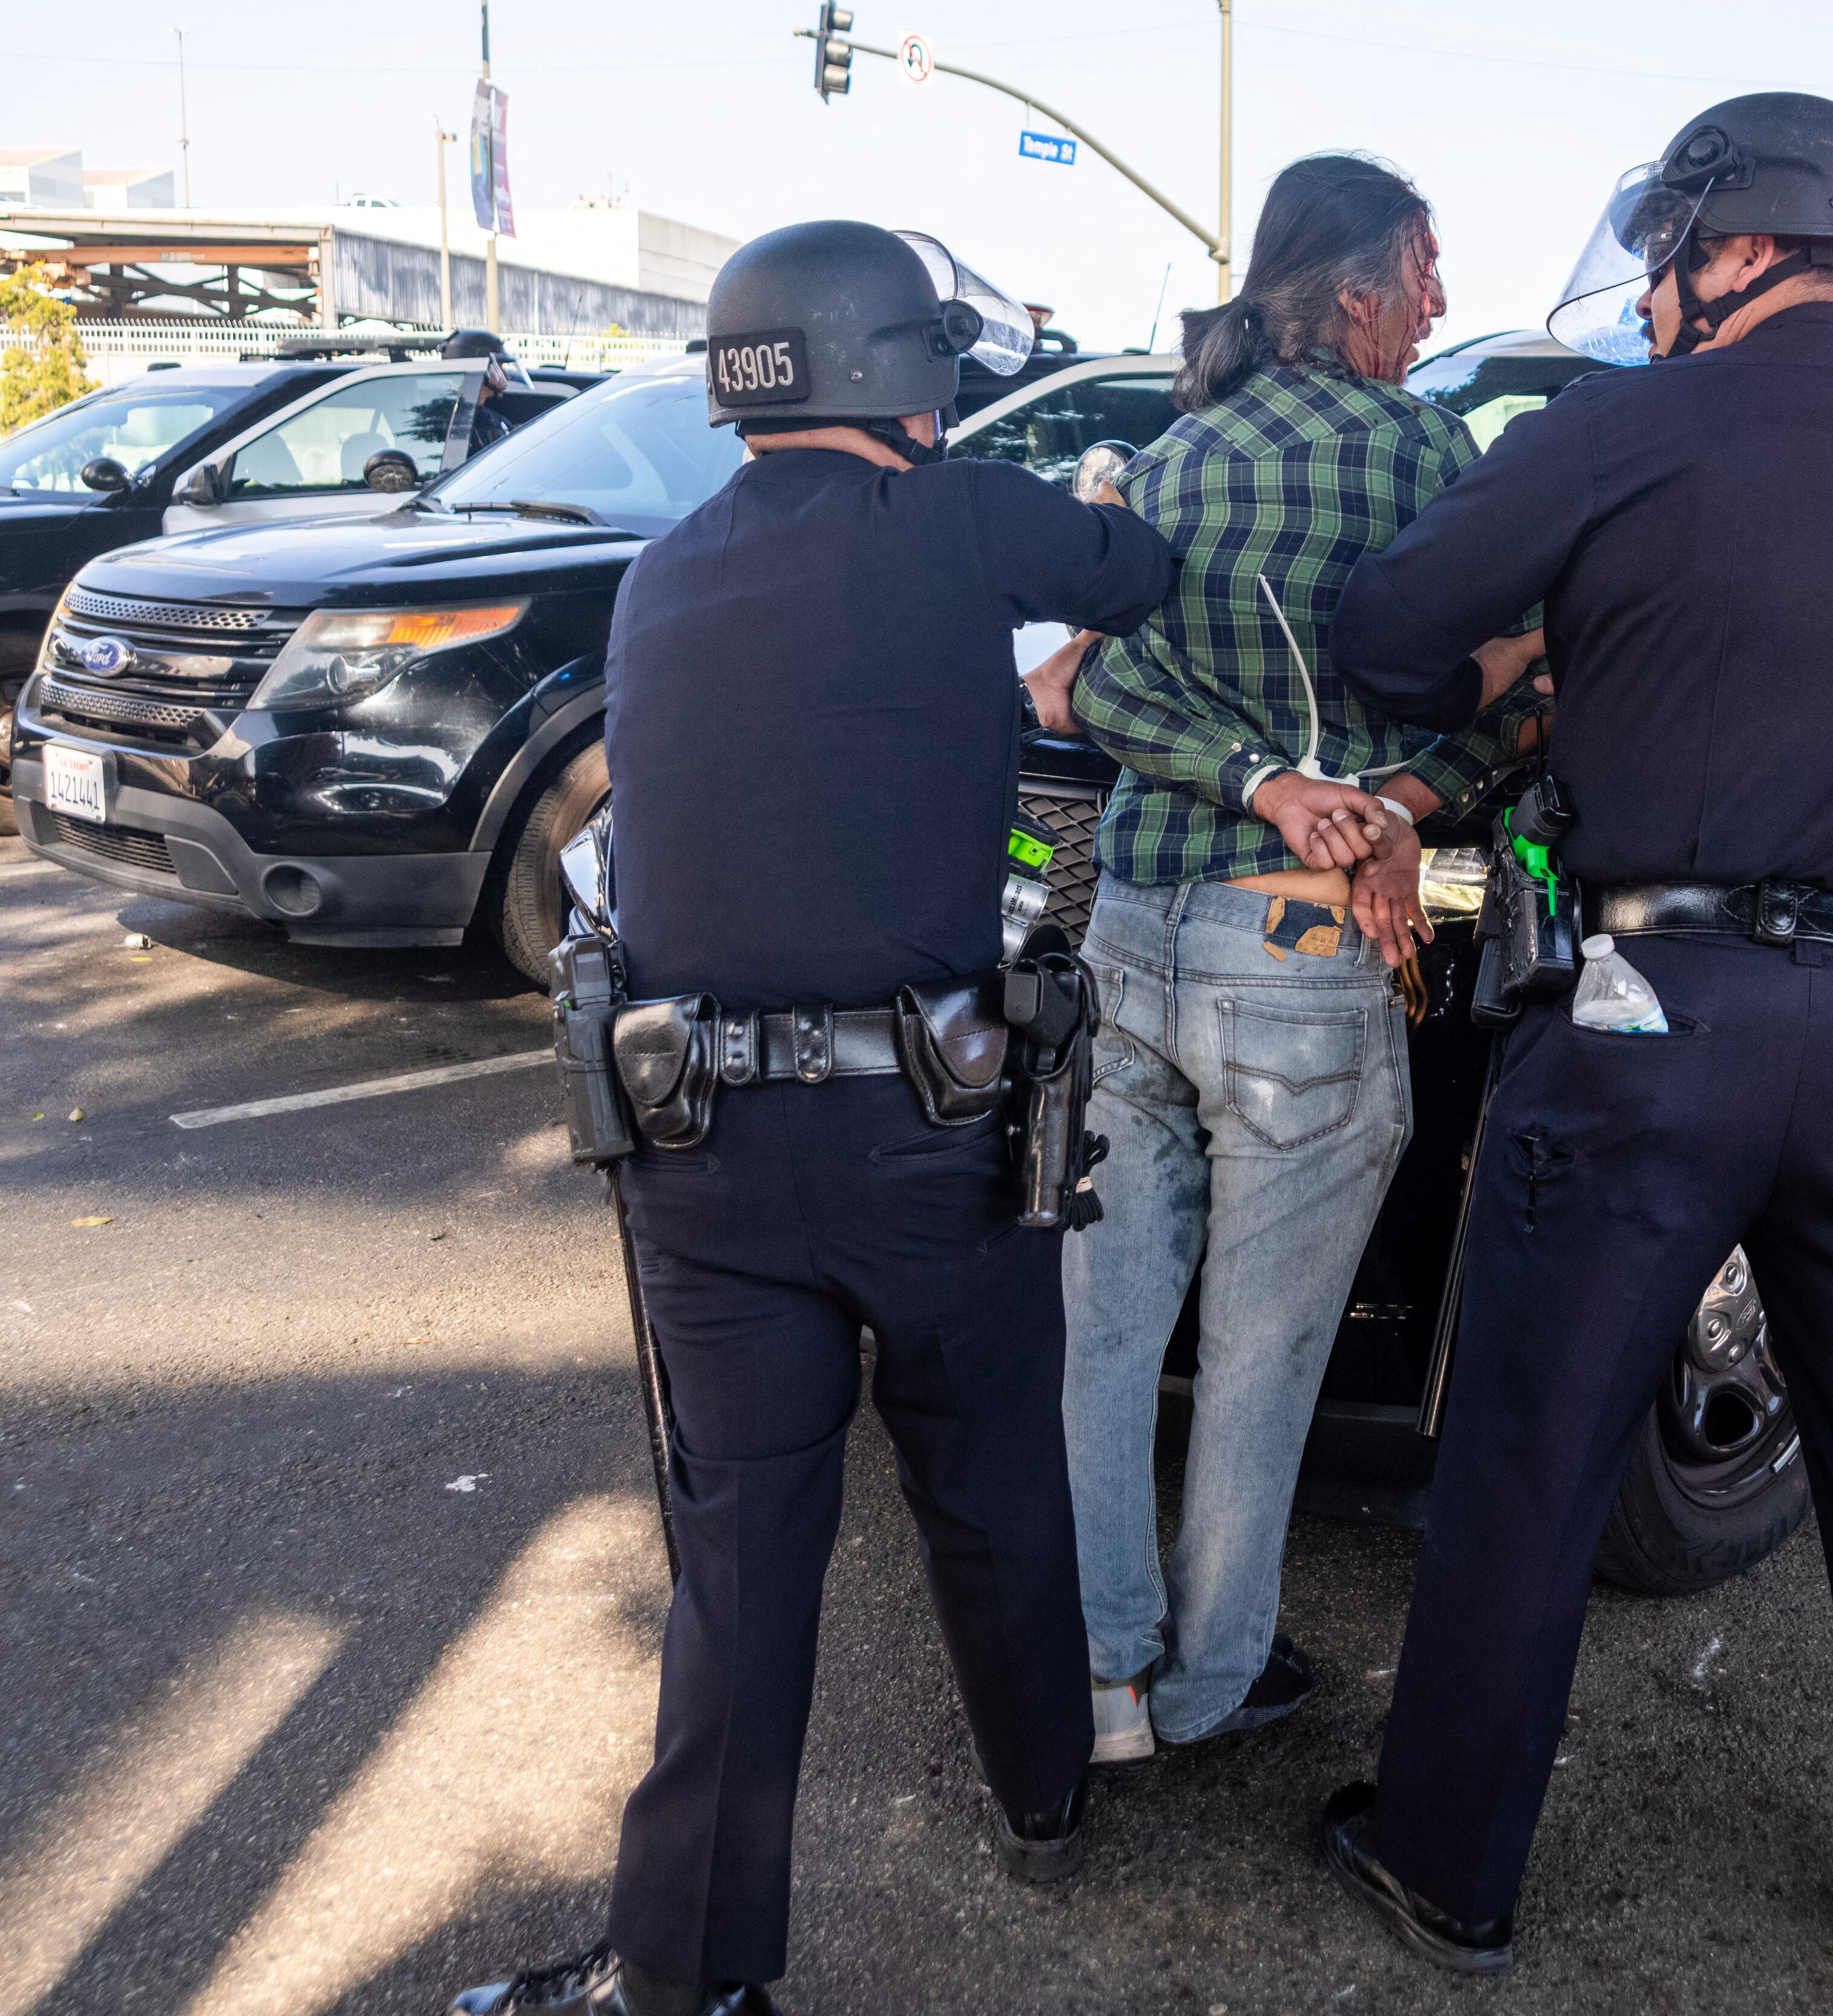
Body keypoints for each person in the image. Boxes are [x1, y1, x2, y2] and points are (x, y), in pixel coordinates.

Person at [1314, 96, 1833, 2014]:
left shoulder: (1621, 429)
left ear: (1721, 247)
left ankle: (1448, 1865)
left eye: (1667, 259)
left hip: (1658, 1014)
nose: (1654, 295)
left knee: (1529, 1451)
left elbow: (1389, 629)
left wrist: (1544, 657)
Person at [448, 221, 1174, 2016]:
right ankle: (1045, 1788)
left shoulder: (664, 570)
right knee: (988, 1486)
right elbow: (1138, 565)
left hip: (696, 1151)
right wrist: (1087, 478)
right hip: (933, 1133)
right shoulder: (967, 516)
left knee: (740, 1554)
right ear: (913, 380)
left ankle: (686, 1977)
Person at [1046, 154, 1547, 1772]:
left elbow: (1089, 699)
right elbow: (1485, 711)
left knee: (1109, 1333)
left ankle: (1100, 1675)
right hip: (1303, 952)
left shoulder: (1172, 459)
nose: (1440, 303)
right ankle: (1211, 1683)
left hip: (1134, 928)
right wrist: (1394, 803)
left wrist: (1248, 772)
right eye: (1425, 268)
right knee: (1262, 1360)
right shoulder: (1429, 458)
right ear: (1353, 292)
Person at [441, 327, 523, 455]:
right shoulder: (445, 423)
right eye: (500, 367)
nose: (507, 377)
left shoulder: (499, 422)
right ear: (484, 367)